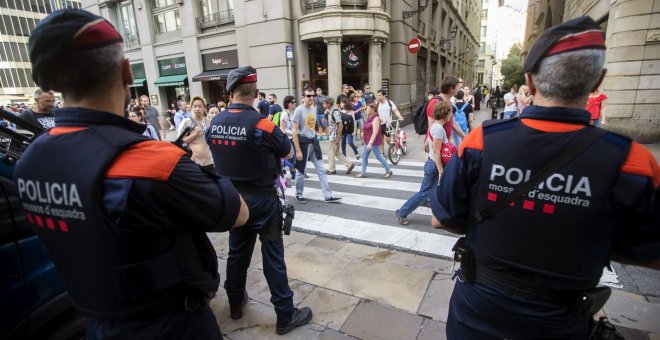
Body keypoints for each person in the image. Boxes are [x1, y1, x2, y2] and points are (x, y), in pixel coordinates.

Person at [14, 9, 250, 339]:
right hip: (170, 326)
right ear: (127, 71)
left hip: (96, 324)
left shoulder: (27, 163)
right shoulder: (150, 161)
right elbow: (237, 213)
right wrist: (204, 158)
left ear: (50, 83)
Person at [430, 16, 660, 339]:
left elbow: (441, 218)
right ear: (597, 82)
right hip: (560, 324)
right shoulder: (632, 162)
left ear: (530, 81)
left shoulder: (482, 141)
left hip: (476, 316)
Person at [206, 66, 313, 335]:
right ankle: (285, 314)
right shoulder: (262, 123)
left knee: (237, 252)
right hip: (263, 200)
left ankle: (235, 302)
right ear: (255, 93)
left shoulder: (215, 122)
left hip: (232, 199)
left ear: (230, 93)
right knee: (273, 255)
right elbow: (288, 151)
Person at [396, 100, 452, 225]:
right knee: (423, 193)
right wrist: (441, 171)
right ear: (444, 113)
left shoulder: (435, 126)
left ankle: (426, 202)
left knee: (425, 192)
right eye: (450, 113)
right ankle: (402, 212)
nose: (451, 115)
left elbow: (426, 144)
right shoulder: (438, 129)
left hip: (431, 163)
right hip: (433, 165)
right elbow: (437, 152)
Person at [292, 87, 341, 203]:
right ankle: (299, 194)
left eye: (313, 95)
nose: (311, 98)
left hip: (314, 142)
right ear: (303, 97)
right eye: (308, 96)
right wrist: (298, 150)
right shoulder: (299, 110)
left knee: (321, 169)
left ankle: (328, 196)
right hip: (303, 143)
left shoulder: (314, 109)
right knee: (300, 171)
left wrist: (321, 131)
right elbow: (294, 131)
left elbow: (313, 125)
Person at [355, 101, 393, 179]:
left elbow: (375, 132)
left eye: (367, 108)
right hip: (367, 140)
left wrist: (370, 143)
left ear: (372, 109)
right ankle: (363, 172)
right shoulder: (369, 117)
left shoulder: (375, 118)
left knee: (379, 156)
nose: (365, 109)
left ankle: (388, 170)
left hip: (373, 141)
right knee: (364, 156)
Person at [178, 96, 214, 172]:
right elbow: (179, 142)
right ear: (191, 108)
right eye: (195, 106)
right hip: (194, 161)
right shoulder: (186, 122)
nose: (197, 109)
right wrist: (195, 134)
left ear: (204, 108)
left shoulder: (210, 122)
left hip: (210, 161)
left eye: (200, 106)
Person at [324, 97, 355, 175]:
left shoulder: (335, 112)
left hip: (334, 136)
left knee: (331, 152)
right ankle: (349, 164)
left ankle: (332, 169)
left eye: (324, 103)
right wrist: (325, 114)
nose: (323, 104)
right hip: (332, 135)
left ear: (329, 103)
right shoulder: (330, 111)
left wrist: (338, 137)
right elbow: (324, 122)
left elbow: (340, 125)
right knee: (337, 152)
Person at [375, 90, 404, 155]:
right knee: (380, 139)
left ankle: (393, 147)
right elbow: (374, 113)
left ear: (384, 96)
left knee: (387, 139)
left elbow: (395, 111)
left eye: (380, 95)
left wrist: (400, 117)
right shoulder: (377, 103)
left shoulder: (389, 103)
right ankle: (382, 153)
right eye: (378, 95)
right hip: (379, 124)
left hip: (388, 124)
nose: (378, 96)